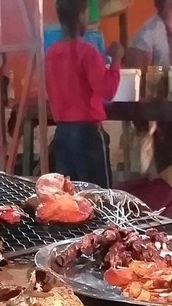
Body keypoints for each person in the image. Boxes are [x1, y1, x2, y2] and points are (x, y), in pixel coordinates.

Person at [45, 0, 123, 188]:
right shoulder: (87, 52)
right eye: (87, 15)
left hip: (62, 134)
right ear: (81, 16)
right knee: (98, 196)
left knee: (70, 197)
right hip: (87, 135)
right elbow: (108, 90)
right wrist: (117, 60)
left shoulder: (51, 53)